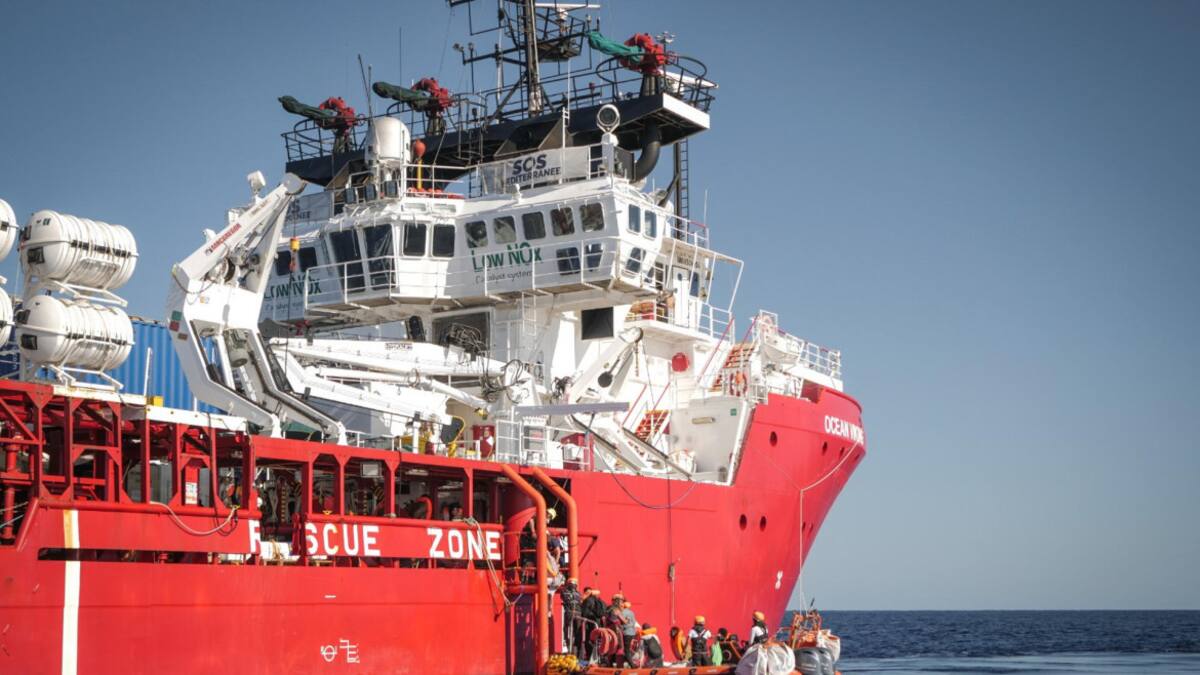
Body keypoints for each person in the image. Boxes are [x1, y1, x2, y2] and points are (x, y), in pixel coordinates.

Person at [580, 587, 606, 661]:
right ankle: (600, 658)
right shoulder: (601, 602)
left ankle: (589, 657)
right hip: (599, 624)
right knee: (598, 641)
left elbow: (584, 613)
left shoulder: (588, 600)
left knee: (589, 640)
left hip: (589, 623)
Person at [559, 578, 583, 657]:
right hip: (578, 614)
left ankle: (569, 649)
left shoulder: (564, 591)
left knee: (567, 631)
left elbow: (565, 599)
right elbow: (580, 602)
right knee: (577, 633)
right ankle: (576, 651)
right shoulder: (579, 594)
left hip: (569, 613)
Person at [619, 601, 638, 666]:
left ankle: (632, 665)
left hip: (626, 632)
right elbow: (634, 622)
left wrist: (621, 627)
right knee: (628, 649)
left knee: (626, 650)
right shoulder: (631, 612)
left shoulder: (623, 612)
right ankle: (628, 661)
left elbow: (623, 623)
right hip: (632, 632)